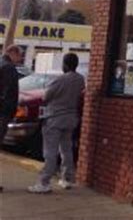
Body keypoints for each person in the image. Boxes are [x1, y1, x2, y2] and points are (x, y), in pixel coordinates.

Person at [28, 52, 85, 194]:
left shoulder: (59, 80)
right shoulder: (80, 79)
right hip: (71, 118)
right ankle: (67, 179)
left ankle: (44, 182)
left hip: (54, 118)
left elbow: (46, 97)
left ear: (64, 64)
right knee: (66, 149)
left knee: (50, 152)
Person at [0, 44, 23, 193]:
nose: (20, 59)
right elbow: (8, 93)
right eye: (20, 55)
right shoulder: (8, 68)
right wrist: (8, 112)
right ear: (12, 53)